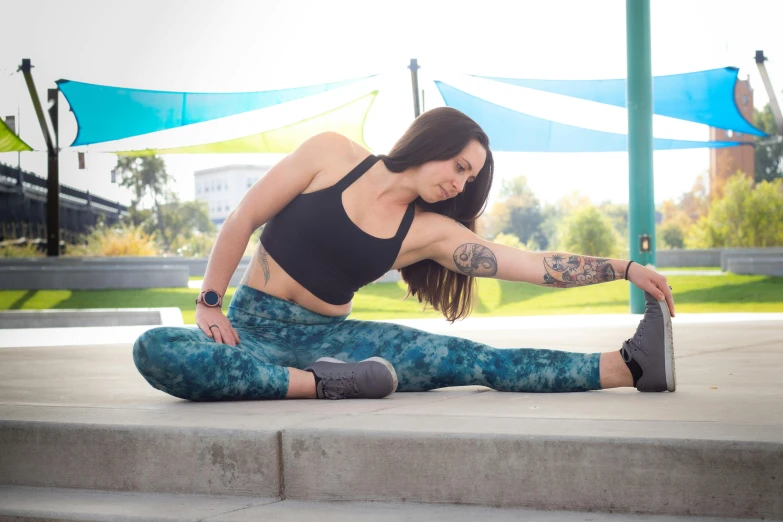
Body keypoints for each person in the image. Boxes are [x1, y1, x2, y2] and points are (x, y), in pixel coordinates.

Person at [133, 107, 676, 401]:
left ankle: (630, 367)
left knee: (470, 358)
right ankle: (321, 385)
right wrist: (209, 302)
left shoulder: (431, 231)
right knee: (155, 350)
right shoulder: (332, 154)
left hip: (336, 340)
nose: (461, 186)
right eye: (460, 167)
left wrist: (624, 269)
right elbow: (243, 217)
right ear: (434, 143)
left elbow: (528, 264)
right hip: (250, 326)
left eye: (471, 178)